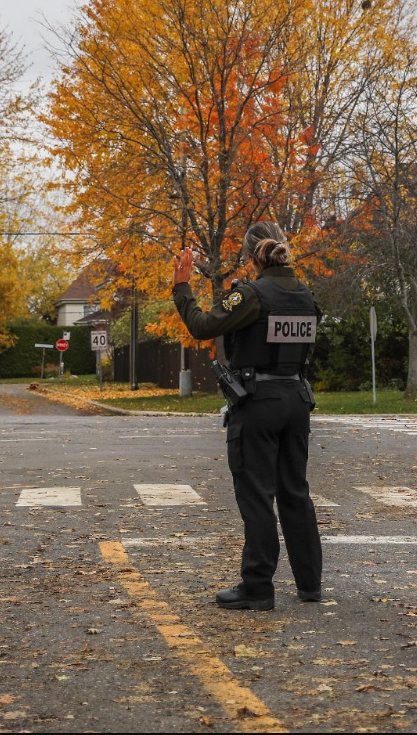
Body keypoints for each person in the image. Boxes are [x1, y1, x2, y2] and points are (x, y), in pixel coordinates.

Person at [172, 222, 324, 611]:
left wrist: (182, 285)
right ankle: (309, 584)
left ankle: (257, 586)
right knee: (295, 491)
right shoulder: (306, 295)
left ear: (252, 255)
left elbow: (202, 326)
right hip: (297, 399)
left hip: (258, 403)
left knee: (257, 494)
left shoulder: (253, 295)